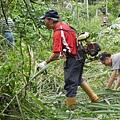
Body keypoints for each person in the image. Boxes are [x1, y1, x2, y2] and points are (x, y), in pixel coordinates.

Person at [38, 10, 98, 109]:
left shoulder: (58, 32)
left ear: (51, 20)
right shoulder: (67, 27)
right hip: (80, 56)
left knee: (70, 84)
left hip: (73, 59)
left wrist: (45, 62)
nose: (44, 22)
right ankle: (94, 98)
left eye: (45, 20)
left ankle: (71, 110)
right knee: (78, 79)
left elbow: (56, 54)